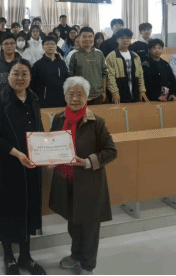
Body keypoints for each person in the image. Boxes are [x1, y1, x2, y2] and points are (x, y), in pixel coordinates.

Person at [50, 77, 117, 275]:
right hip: (65, 180)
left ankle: (88, 265)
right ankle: (76, 255)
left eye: (80, 94)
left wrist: (88, 161)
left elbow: (111, 151)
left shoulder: (97, 122)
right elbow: (51, 144)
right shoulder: (58, 119)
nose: (75, 98)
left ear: (87, 97)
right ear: (65, 96)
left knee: (89, 227)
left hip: (89, 183)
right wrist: (49, 158)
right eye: (71, 94)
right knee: (73, 222)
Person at [0, 59, 46, 276]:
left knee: (28, 208)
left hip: (30, 164)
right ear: (8, 76)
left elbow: (39, 129)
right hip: (6, 165)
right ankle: (8, 256)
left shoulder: (34, 99)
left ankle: (26, 256)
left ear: (30, 77)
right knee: (7, 210)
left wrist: (47, 151)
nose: (20, 78)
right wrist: (17, 153)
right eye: (16, 73)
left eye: (24, 74)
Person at [106, 28, 149, 104]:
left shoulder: (135, 56)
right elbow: (110, 76)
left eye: (128, 38)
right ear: (117, 40)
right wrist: (114, 92)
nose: (125, 40)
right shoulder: (111, 56)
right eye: (122, 38)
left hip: (135, 92)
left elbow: (140, 75)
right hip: (119, 93)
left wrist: (142, 91)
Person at [68, 27, 108, 106]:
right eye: (84, 36)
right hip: (80, 97)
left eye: (90, 36)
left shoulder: (99, 53)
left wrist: (104, 91)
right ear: (79, 37)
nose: (87, 39)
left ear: (93, 37)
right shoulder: (73, 55)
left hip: (98, 95)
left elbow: (104, 73)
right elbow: (70, 76)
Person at [31, 36, 69, 108]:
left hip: (61, 100)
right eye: (47, 44)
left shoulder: (62, 63)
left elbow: (66, 80)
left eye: (52, 44)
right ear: (43, 47)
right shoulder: (38, 65)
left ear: (56, 46)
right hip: (44, 101)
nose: (50, 46)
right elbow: (33, 85)